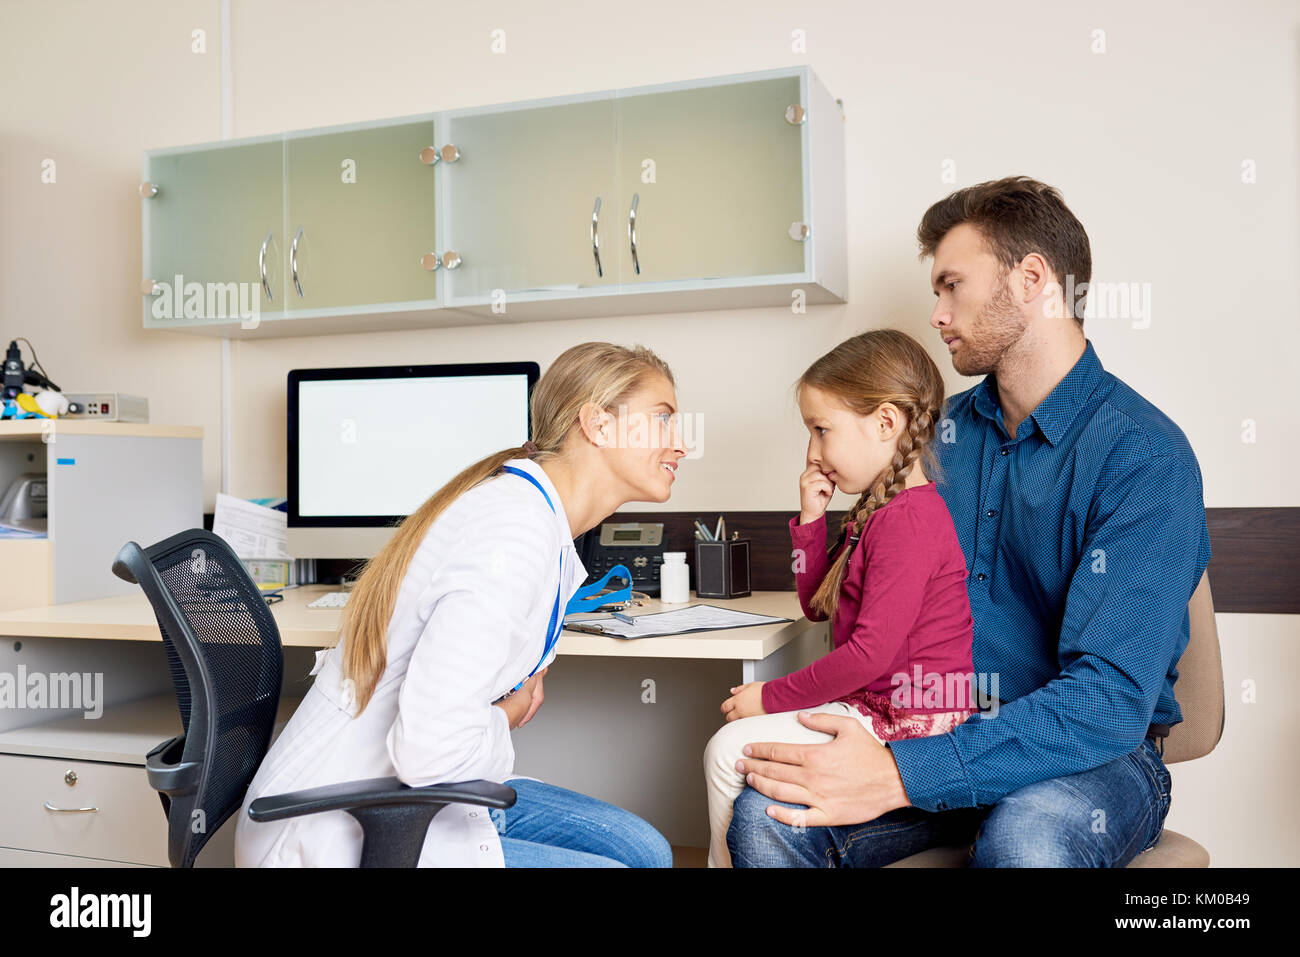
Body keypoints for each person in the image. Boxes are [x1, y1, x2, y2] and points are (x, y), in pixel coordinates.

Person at [726, 176, 1210, 867]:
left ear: (1033, 279)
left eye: (952, 285)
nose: (936, 313)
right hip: (934, 723)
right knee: (769, 814)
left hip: (1086, 758)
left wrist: (901, 774)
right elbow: (857, 614)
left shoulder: (1144, 457)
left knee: (1028, 834)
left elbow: (1106, 701)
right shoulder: (929, 446)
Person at [235, 342, 685, 867]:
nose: (681, 444)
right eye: (662, 420)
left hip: (407, 796)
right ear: (599, 426)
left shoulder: (535, 518)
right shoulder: (512, 532)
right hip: (338, 825)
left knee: (647, 852)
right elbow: (430, 751)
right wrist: (505, 716)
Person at [703, 329, 978, 868]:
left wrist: (771, 696)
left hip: (909, 720)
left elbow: (868, 656)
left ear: (884, 423)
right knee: (731, 745)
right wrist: (809, 520)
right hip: (875, 705)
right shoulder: (877, 514)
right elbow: (816, 606)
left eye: (821, 430)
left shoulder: (910, 521)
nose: (813, 451)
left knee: (725, 750)